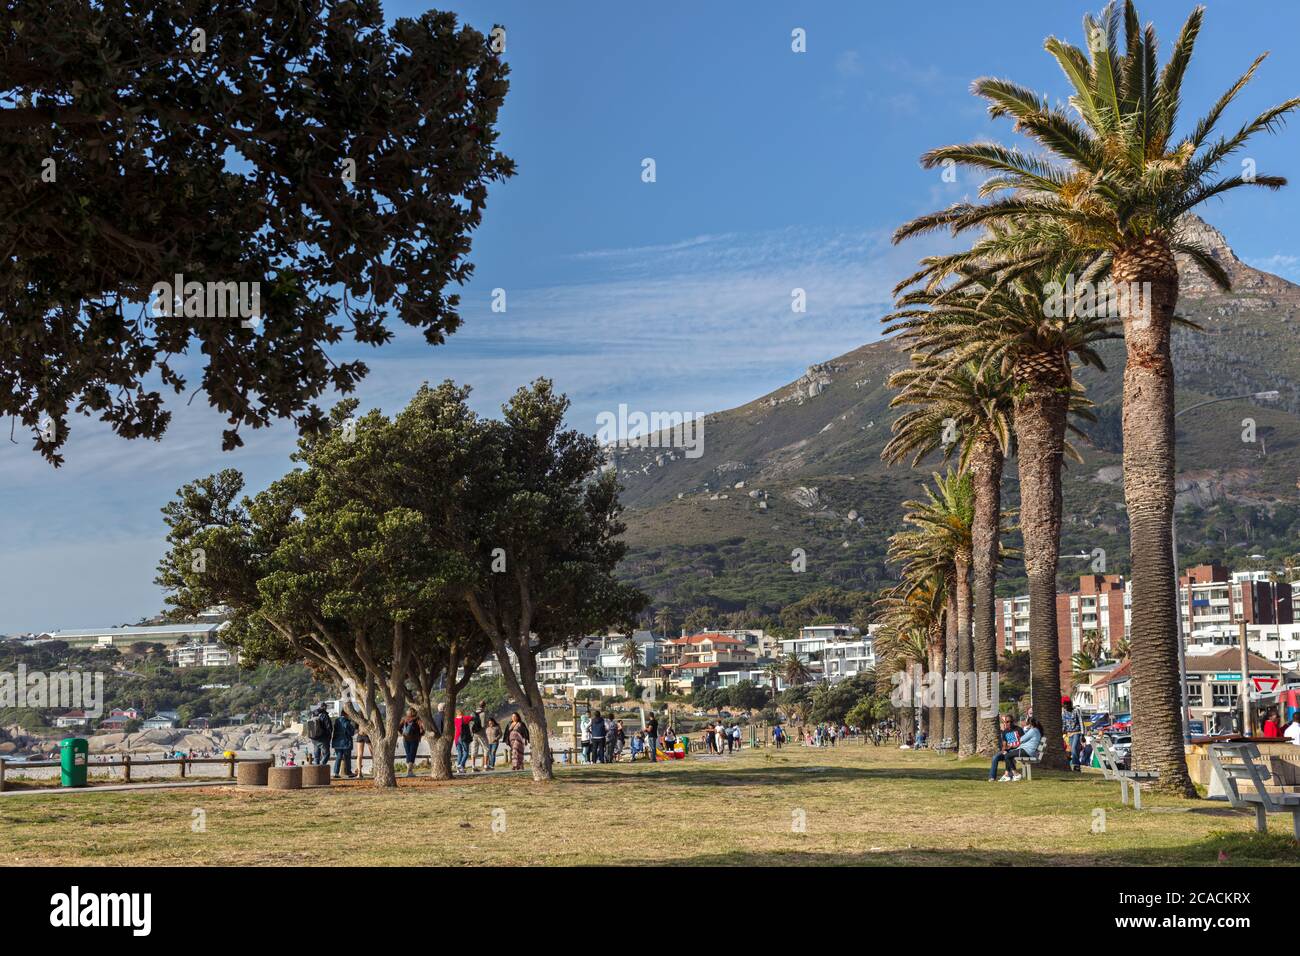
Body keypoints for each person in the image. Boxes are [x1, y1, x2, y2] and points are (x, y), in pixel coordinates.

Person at [988, 713, 1021, 782]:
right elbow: (1004, 744)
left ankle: (1007, 775)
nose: (1009, 723)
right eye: (1007, 722)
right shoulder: (1005, 732)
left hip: (1016, 750)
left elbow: (1023, 741)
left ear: (1013, 721)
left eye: (1011, 721)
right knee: (995, 757)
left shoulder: (1018, 729)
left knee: (1007, 755)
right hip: (1008, 750)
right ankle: (992, 777)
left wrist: (1013, 746)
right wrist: (1003, 750)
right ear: (1005, 722)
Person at [331, 710, 357, 779]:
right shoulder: (346, 722)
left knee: (338, 757)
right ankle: (348, 772)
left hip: (337, 742)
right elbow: (351, 733)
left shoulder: (337, 721)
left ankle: (336, 772)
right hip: (346, 742)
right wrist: (353, 728)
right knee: (347, 758)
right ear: (346, 714)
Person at [399, 707, 423, 778]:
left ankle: (408, 771)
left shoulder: (404, 719)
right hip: (414, 739)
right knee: (412, 754)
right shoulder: (417, 719)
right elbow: (422, 728)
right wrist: (420, 735)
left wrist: (403, 734)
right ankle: (410, 771)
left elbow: (398, 728)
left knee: (408, 754)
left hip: (405, 739)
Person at [306, 703, 332, 767]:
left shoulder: (313, 714)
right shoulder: (324, 715)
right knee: (327, 754)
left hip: (314, 738)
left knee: (316, 756)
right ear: (324, 707)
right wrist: (328, 737)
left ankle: (316, 769)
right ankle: (321, 767)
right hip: (323, 738)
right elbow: (328, 727)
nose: (326, 708)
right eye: (326, 707)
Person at [1061, 696, 1083, 772]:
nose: (1066, 706)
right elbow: (1063, 723)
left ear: (1070, 704)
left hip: (1077, 732)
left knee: (1074, 748)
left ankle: (1076, 765)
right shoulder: (1064, 712)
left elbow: (1080, 721)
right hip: (1069, 734)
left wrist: (1083, 734)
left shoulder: (1076, 710)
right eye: (1064, 704)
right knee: (1072, 750)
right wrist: (1062, 732)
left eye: (1067, 704)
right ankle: (1076, 766)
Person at [472, 699, 490, 771]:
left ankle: (473, 766)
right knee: (486, 748)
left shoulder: (473, 713)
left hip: (474, 734)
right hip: (481, 733)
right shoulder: (483, 713)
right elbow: (483, 725)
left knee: (474, 749)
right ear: (484, 706)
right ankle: (485, 765)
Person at [454, 708, 471, 773]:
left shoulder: (455, 720)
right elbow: (473, 718)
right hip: (463, 737)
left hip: (456, 738)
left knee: (460, 753)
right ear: (462, 712)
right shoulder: (465, 718)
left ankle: (460, 769)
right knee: (466, 752)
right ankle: (461, 765)